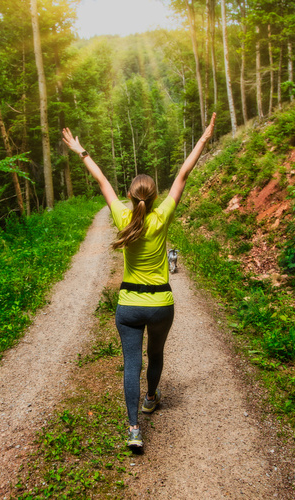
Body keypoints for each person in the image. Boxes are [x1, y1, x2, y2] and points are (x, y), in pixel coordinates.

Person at [62, 112, 216, 449]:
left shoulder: (121, 215)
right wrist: (203, 140)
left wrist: (80, 150)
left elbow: (102, 181)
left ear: (130, 197)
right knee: (156, 354)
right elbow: (184, 174)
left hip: (129, 306)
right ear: (154, 196)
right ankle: (150, 398)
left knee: (131, 363)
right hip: (161, 304)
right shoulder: (161, 217)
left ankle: (134, 430)